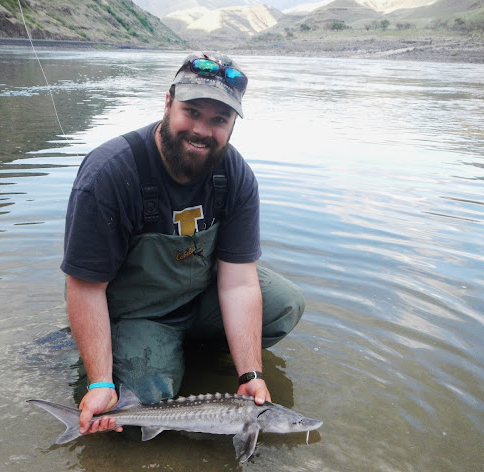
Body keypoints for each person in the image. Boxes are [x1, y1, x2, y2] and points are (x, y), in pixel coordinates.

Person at [61, 52, 305, 437]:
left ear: (232, 125)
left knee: (285, 304)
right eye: (191, 111)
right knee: (141, 401)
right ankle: (116, 357)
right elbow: (85, 286)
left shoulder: (235, 175)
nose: (202, 130)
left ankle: (183, 350)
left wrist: (251, 373)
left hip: (200, 297)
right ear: (168, 102)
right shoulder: (110, 173)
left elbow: (239, 281)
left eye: (219, 120)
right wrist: (101, 383)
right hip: (142, 311)